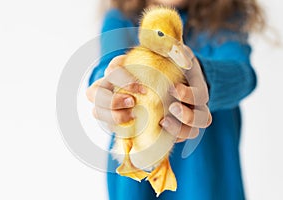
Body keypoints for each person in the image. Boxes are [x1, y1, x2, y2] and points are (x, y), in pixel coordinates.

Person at [86, 0, 264, 199]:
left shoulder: (225, 17)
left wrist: (205, 78)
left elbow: (243, 75)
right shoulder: (120, 18)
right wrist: (107, 87)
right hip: (136, 184)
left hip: (210, 176)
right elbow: (109, 65)